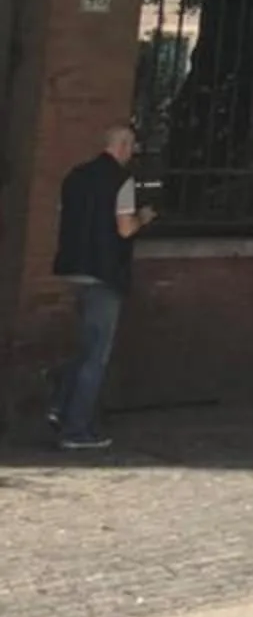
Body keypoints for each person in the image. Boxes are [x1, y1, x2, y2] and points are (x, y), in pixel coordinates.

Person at [49, 126, 154, 450]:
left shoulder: (75, 177)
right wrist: (144, 218)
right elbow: (124, 229)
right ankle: (76, 428)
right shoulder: (121, 181)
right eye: (131, 146)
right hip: (104, 273)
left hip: (73, 268)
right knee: (96, 355)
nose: (132, 153)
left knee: (85, 345)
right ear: (122, 146)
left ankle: (59, 403)